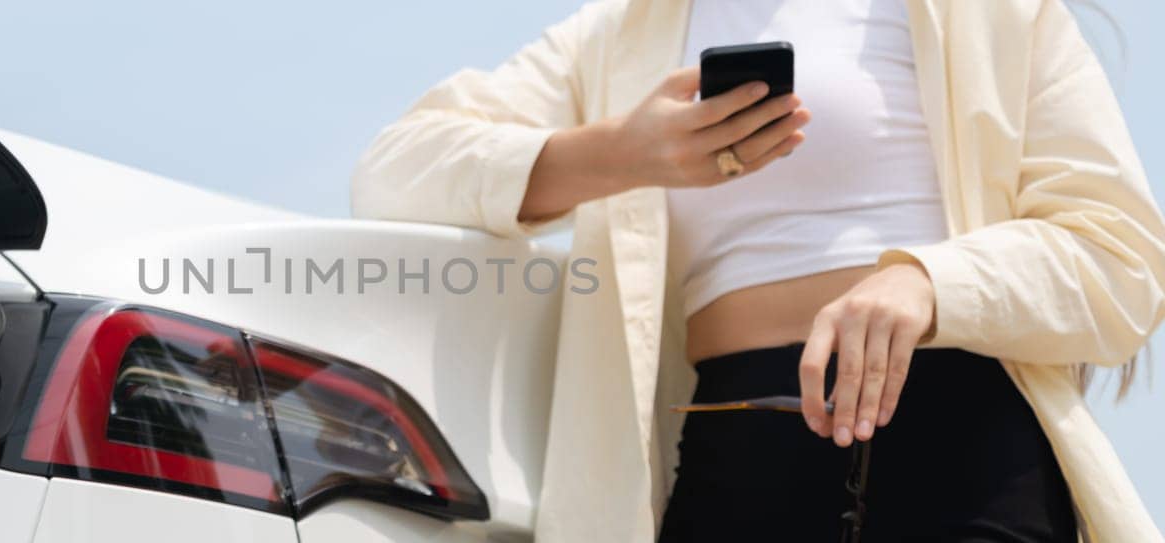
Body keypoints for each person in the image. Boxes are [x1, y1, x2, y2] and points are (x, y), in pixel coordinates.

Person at [350, 0, 1165, 541]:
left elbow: (1122, 254)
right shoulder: (621, 33)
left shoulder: (990, 12)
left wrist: (925, 281)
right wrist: (620, 153)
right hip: (733, 448)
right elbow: (392, 168)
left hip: (968, 447)